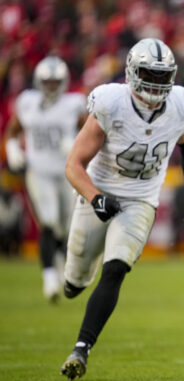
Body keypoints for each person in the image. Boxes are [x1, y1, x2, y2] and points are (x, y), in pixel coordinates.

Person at [60, 38, 184, 380]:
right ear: (132, 73)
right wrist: (96, 197)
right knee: (75, 282)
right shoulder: (111, 103)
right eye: (147, 75)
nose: (155, 83)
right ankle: (73, 279)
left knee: (116, 269)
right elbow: (74, 165)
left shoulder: (182, 105)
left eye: (160, 76)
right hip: (100, 191)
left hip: (141, 199)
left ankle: (82, 348)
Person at [3, 56, 87, 302]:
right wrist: (11, 147)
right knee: (48, 222)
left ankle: (60, 267)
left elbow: (89, 133)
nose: (51, 86)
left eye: (55, 81)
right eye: (47, 82)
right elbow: (13, 130)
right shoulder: (28, 102)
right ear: (39, 81)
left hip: (67, 172)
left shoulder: (74, 103)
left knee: (66, 225)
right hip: (38, 171)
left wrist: (76, 145)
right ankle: (49, 278)